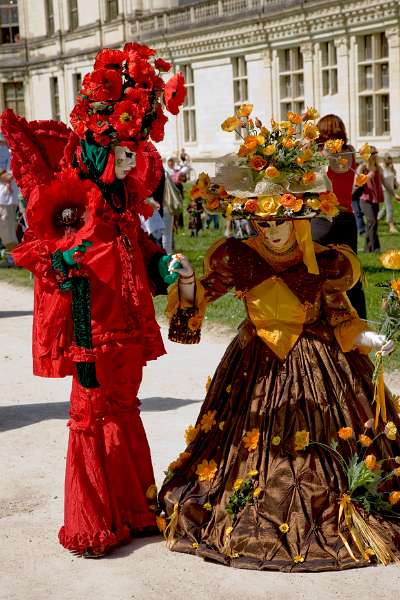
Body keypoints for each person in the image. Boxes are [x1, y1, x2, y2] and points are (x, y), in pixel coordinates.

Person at [159, 110, 400, 572]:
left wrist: (370, 338)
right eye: (263, 223)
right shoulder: (237, 258)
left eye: (281, 222)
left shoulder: (322, 262)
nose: (271, 231)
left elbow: (338, 316)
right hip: (255, 368)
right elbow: (200, 298)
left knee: (327, 456)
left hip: (317, 365)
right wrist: (188, 279)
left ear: (301, 218)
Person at [1, 43, 186, 557]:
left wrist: (165, 266)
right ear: (102, 150)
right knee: (90, 414)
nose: (134, 163)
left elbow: (143, 248)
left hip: (128, 329)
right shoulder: (70, 203)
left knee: (126, 408)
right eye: (126, 153)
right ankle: (91, 520)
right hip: (95, 334)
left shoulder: (123, 205)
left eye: (136, 153)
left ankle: (132, 508)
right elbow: (63, 270)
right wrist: (80, 349)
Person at [311, 114, 366, 319]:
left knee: (316, 275)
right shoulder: (350, 152)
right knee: (351, 274)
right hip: (347, 220)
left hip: (322, 220)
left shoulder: (318, 155)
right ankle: (358, 322)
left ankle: (320, 321)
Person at [356, 147, 398, 253]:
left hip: (375, 199)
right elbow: (356, 183)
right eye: (373, 153)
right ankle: (375, 247)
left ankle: (368, 248)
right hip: (365, 198)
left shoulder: (378, 168)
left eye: (376, 153)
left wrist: (394, 194)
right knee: (372, 221)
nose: (375, 155)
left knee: (373, 223)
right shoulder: (362, 167)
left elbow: (385, 184)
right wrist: (367, 177)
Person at [0, 132, 19, 257]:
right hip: (4, 194)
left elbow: (9, 175)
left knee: (7, 229)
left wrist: (4, 175)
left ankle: (16, 257)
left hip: (7, 197)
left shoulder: (13, 152)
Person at [378, 153, 399, 233]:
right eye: (388, 158)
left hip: (391, 189)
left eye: (391, 158)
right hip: (384, 190)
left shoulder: (391, 168)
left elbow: (394, 178)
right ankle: (391, 226)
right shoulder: (381, 168)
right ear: (384, 159)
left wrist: (396, 185)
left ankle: (377, 218)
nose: (390, 159)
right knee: (389, 207)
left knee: (385, 207)